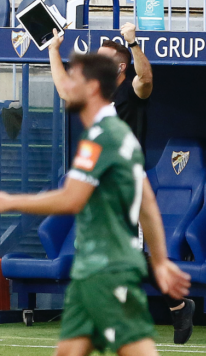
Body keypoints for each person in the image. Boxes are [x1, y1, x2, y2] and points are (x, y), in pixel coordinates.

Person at [0, 53, 191, 356]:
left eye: (74, 79)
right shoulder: (115, 132)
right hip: (93, 267)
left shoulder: (103, 136)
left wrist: (10, 200)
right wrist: (160, 262)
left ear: (92, 87)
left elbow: (71, 198)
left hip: (107, 267)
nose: (66, 86)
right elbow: (144, 197)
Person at [49, 23, 195, 344]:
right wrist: (52, 51)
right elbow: (63, 90)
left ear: (118, 66)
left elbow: (147, 79)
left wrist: (134, 43)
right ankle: (177, 306)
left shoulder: (131, 91)